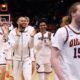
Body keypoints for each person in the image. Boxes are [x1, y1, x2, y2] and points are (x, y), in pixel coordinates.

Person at [51, 2, 80, 80]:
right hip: (67, 77)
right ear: (73, 13)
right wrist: (62, 78)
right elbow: (54, 58)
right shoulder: (63, 31)